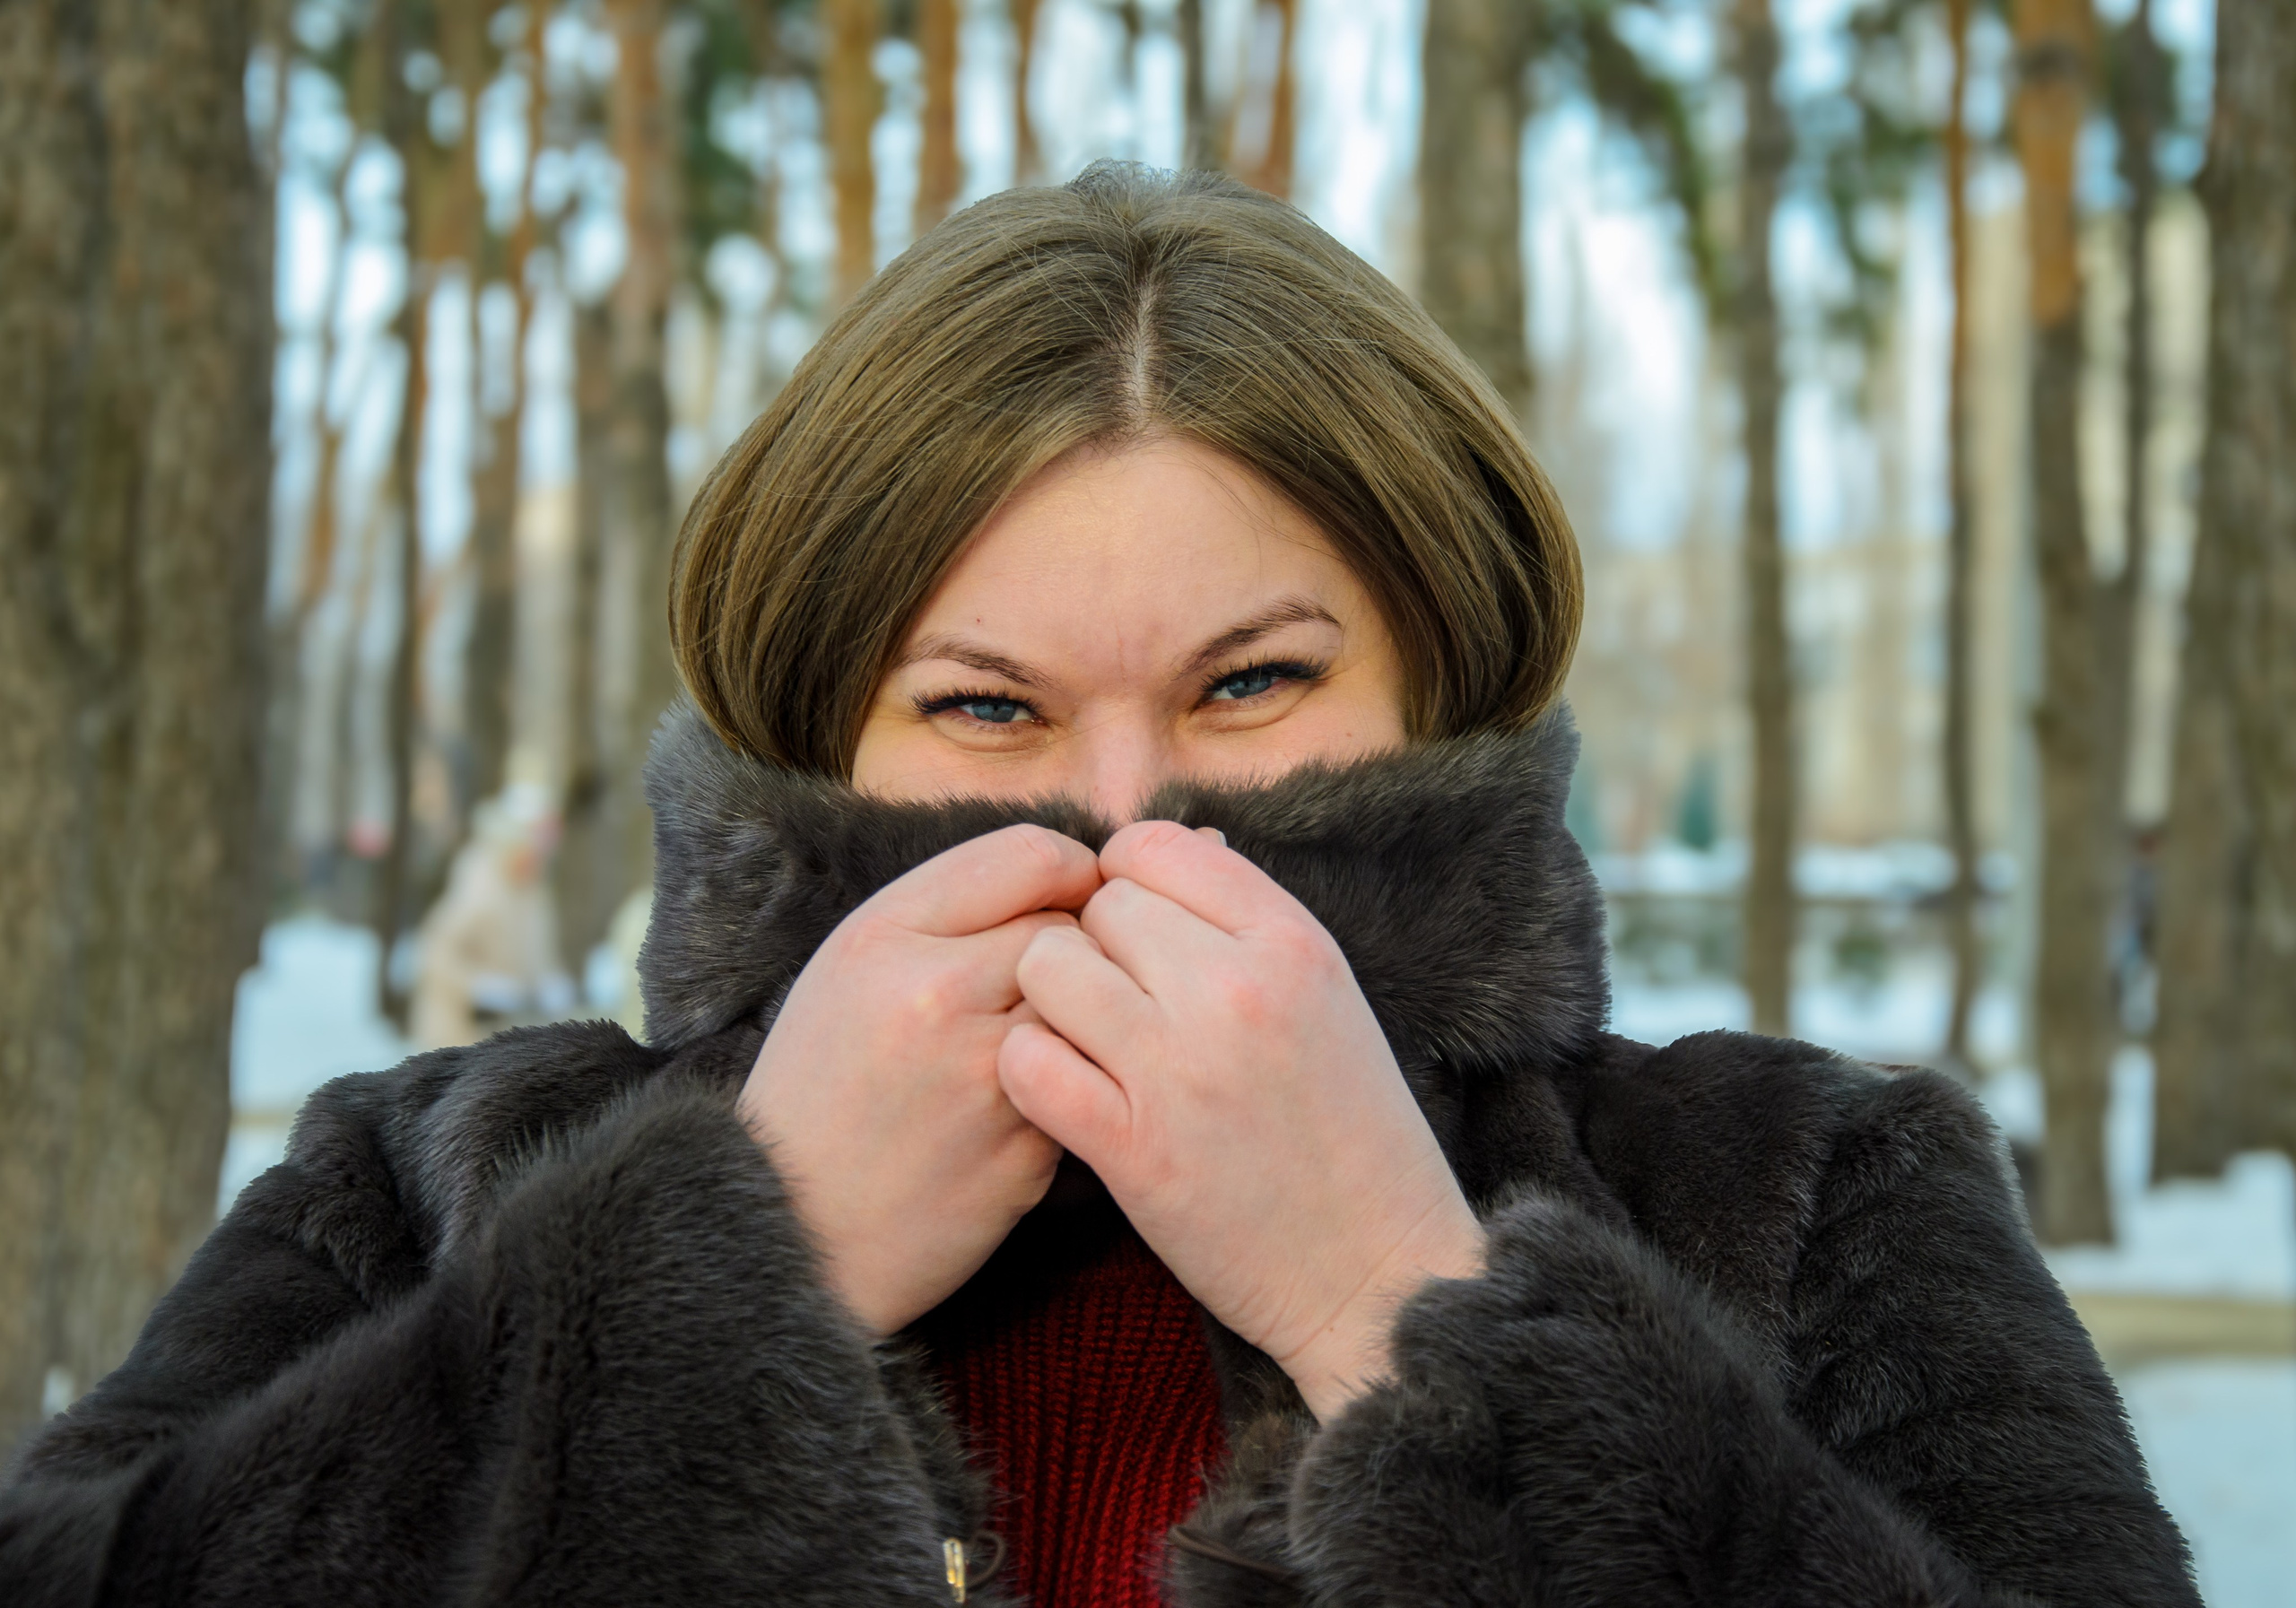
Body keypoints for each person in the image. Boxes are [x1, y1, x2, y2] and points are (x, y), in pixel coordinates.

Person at [0, 164, 2196, 1608]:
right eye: (983, 710)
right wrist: (712, 1293)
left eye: (1249, 682)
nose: (1125, 820)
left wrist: (1414, 1329)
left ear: (1440, 666)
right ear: (819, 730)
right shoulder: (434, 1187)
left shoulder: (1818, 1195)